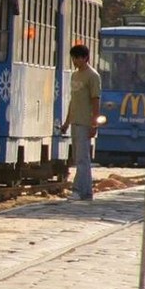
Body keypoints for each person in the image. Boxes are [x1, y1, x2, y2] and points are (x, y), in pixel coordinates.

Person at [61, 44, 101, 201]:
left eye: (78, 57)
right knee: (79, 158)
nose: (75, 61)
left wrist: (94, 124)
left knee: (82, 159)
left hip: (85, 122)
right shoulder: (74, 76)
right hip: (75, 121)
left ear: (85, 58)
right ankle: (87, 192)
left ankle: (78, 190)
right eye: (73, 57)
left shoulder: (93, 76)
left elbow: (95, 100)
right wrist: (66, 122)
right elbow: (73, 101)